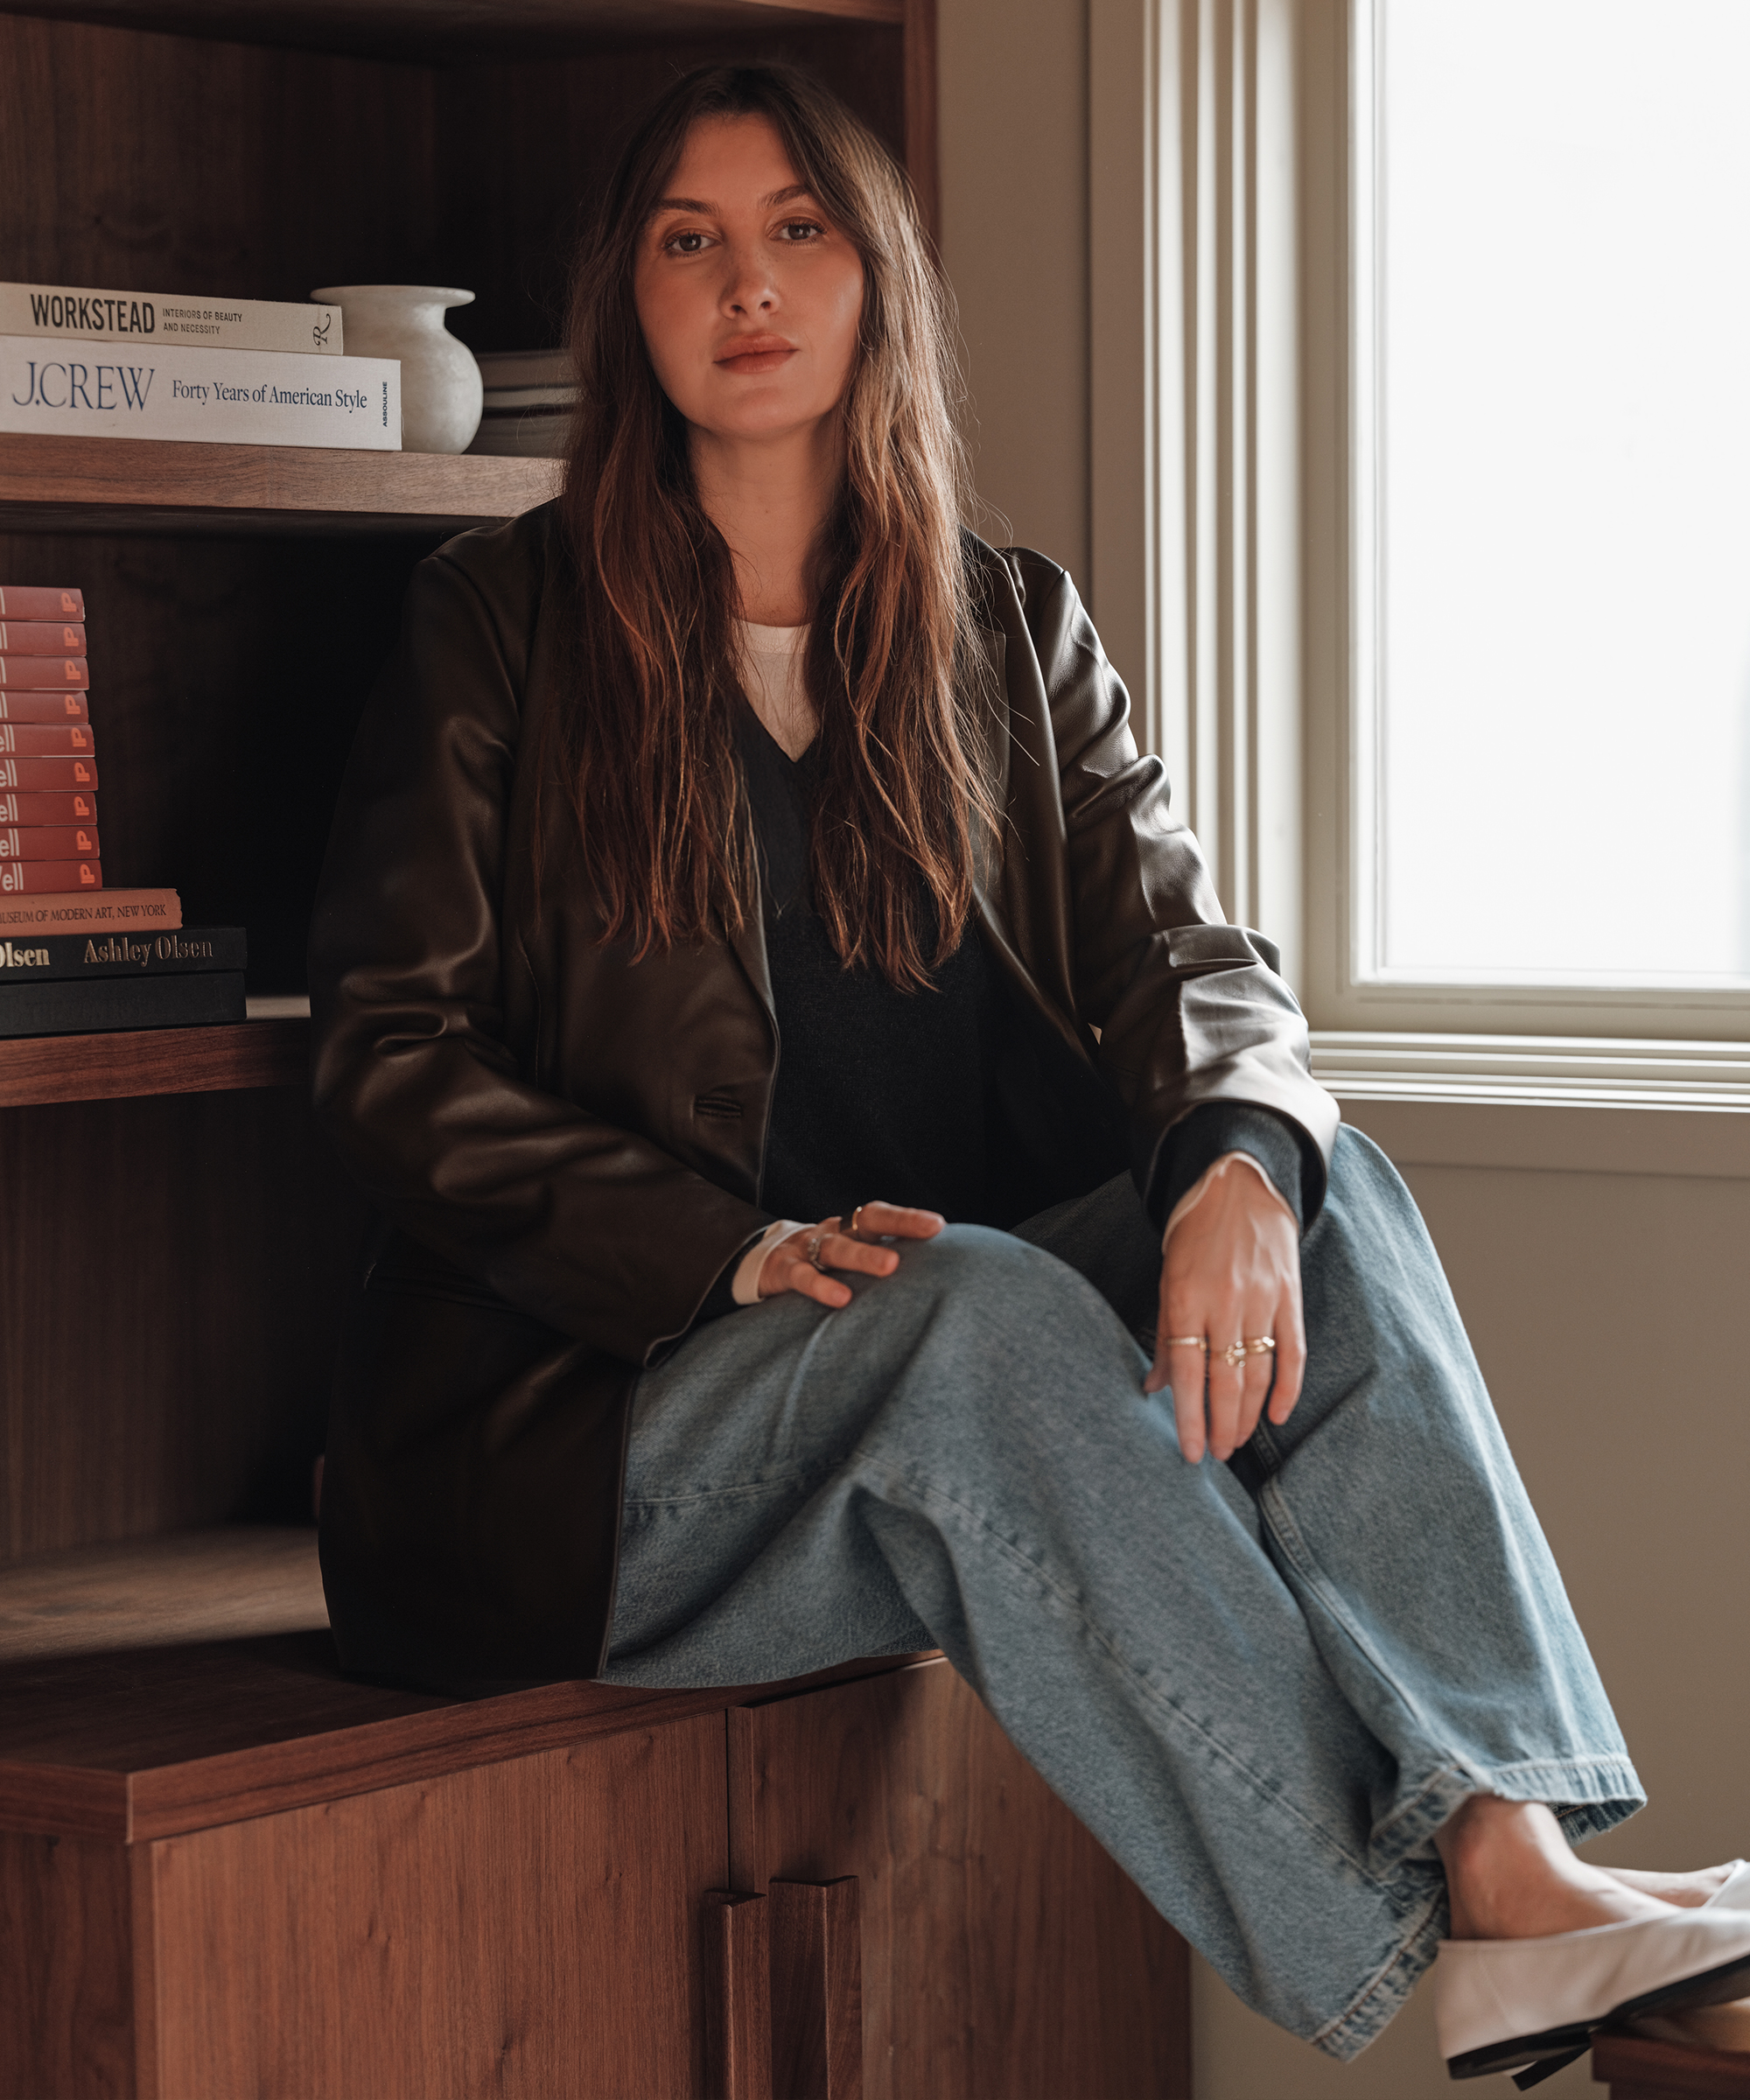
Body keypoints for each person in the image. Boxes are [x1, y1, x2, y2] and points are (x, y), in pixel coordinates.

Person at [307, 62, 1750, 2085]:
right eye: (689, 240)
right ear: (626, 298)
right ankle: (1424, 1946)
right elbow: (385, 1058)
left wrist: (1241, 1156)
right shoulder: (500, 622)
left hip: (925, 1388)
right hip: (581, 1449)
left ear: (876, 278)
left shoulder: (1006, 624)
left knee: (1322, 1189)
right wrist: (724, 1253)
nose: (748, 285)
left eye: (799, 229)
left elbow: (1192, 959)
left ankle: (1513, 1854)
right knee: (968, 1303)